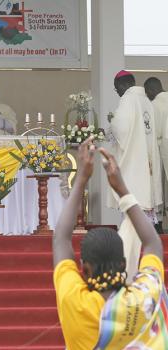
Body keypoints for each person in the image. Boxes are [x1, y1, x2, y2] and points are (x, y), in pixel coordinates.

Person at [53, 136, 167, 349]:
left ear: (85, 270)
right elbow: (152, 243)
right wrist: (121, 189)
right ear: (124, 265)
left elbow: (61, 239)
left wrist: (81, 179)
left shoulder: (75, 302)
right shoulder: (145, 297)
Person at [109, 70, 163, 276]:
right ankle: (148, 235)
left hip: (134, 161)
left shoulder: (128, 100)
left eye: (116, 89)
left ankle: (134, 244)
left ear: (122, 86)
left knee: (133, 202)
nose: (117, 93)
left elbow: (121, 128)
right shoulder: (147, 101)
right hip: (148, 158)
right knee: (144, 201)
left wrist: (112, 122)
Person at [145, 77, 168, 233]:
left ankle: (158, 224)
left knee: (159, 187)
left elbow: (152, 132)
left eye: (147, 92)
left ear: (152, 90)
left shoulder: (153, 105)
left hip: (161, 150)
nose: (147, 95)